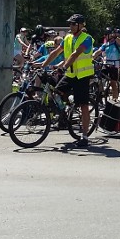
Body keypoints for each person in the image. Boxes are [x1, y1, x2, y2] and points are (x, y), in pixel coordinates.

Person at [38, 14, 94, 147]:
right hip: (70, 74)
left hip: (82, 76)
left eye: (73, 24)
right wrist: (43, 65)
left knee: (84, 105)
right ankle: (66, 112)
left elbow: (76, 54)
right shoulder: (68, 38)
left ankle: (85, 137)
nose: (71, 26)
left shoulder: (87, 39)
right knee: (56, 92)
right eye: (70, 24)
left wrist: (63, 67)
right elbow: (56, 52)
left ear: (81, 25)